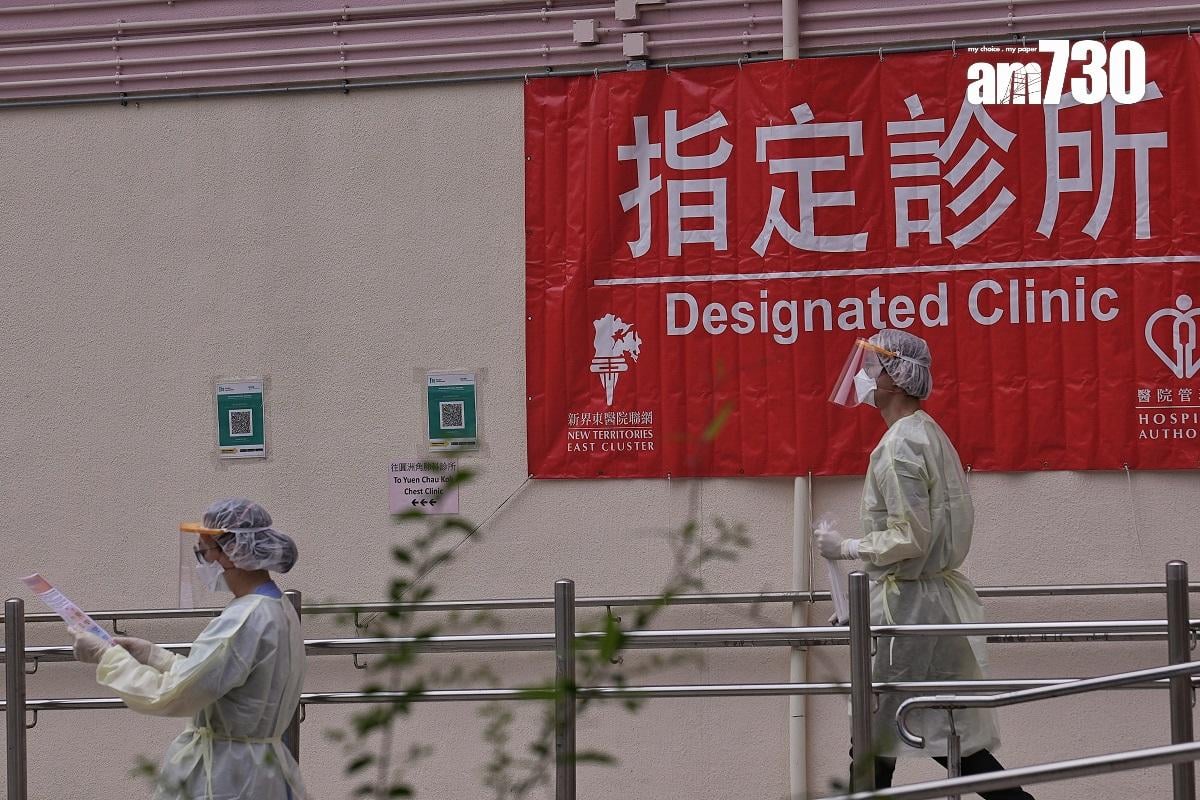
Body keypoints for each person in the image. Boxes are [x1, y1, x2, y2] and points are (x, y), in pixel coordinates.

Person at [816, 329, 1035, 799]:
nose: (864, 375)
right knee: (934, 733)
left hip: (910, 614)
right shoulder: (926, 433)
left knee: (881, 738)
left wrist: (846, 547)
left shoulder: (899, 446)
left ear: (896, 378)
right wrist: (862, 605)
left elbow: (910, 538)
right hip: (918, 605)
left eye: (873, 366)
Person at [71, 499, 308, 800]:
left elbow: (172, 695)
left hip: (229, 776)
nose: (201, 564)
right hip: (263, 771)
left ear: (232, 553)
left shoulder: (244, 619)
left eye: (203, 552)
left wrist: (107, 657)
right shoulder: (276, 608)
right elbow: (216, 678)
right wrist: (153, 656)